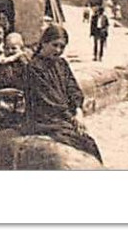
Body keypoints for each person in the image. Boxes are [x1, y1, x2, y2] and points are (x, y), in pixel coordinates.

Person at [24, 23, 102, 163]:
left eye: (62, 47)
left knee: (89, 143)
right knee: (77, 142)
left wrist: (78, 111)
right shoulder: (34, 68)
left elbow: (73, 88)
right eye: (55, 45)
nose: (58, 50)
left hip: (62, 117)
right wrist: (72, 119)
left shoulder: (62, 64)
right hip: (44, 118)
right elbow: (49, 99)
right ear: (44, 43)